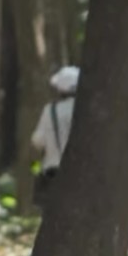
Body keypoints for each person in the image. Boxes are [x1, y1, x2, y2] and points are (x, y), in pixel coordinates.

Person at [30, 66, 79, 202]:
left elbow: (37, 141)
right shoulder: (85, 109)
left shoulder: (50, 110)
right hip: (80, 173)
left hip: (54, 172)